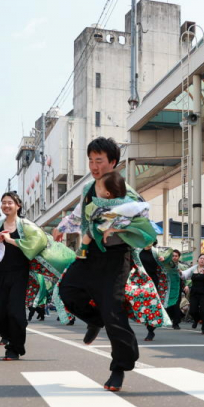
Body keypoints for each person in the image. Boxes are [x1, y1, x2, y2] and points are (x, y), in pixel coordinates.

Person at [58, 156, 167, 391]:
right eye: (90, 161)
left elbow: (144, 222)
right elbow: (78, 214)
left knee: (114, 313)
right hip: (90, 254)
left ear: (113, 162)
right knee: (67, 290)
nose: (94, 166)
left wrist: (116, 226)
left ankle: (119, 367)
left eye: (99, 160)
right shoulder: (89, 188)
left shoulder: (127, 194)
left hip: (117, 257)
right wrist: (60, 227)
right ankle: (95, 320)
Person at [0, 192, 33, 361]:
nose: (6, 205)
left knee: (15, 313)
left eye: (10, 202)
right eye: (3, 203)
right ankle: (8, 335)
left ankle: (14, 348)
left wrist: (9, 240)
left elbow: (34, 245)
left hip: (19, 273)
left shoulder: (26, 225)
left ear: (18, 205)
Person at [181, 253, 204, 334]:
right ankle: (196, 319)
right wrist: (187, 285)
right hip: (194, 292)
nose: (202, 260)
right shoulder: (193, 268)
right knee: (192, 310)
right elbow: (185, 276)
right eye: (201, 258)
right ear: (198, 259)